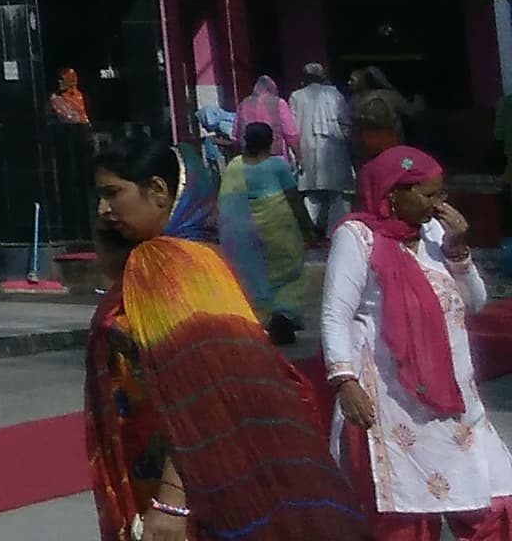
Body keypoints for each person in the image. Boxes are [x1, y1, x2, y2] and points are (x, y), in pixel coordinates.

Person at [82, 143, 370, 541]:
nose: (102, 210)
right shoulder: (187, 260)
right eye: (99, 196)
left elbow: (206, 391)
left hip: (187, 481)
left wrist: (172, 502)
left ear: (159, 191)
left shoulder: (172, 267)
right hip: (171, 466)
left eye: (113, 193)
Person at [323, 145, 512, 535]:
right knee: (407, 516)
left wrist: (458, 249)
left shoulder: (435, 233)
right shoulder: (358, 238)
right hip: (394, 401)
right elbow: (335, 314)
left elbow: (473, 303)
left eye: (440, 194)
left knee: (494, 504)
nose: (437, 203)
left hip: (455, 396)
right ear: (394, 194)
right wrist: (344, 381)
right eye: (428, 194)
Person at [218, 123, 314, 342]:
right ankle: (283, 315)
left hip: (245, 234)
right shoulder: (277, 166)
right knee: (289, 275)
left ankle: (260, 319)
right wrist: (308, 228)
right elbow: (294, 199)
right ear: (271, 142)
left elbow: (225, 202)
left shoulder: (234, 166)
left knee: (254, 274)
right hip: (278, 229)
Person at [296, 65, 358, 237]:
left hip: (306, 146)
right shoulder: (334, 93)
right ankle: (335, 232)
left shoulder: (296, 96)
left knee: (312, 193)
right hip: (334, 147)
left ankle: (311, 231)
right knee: (338, 194)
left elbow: (293, 127)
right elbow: (345, 120)